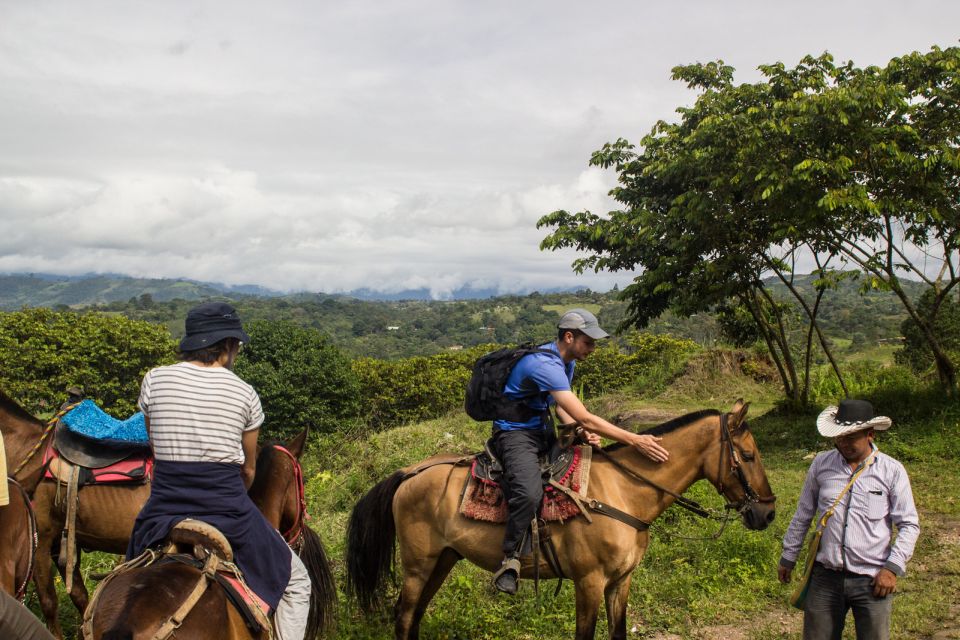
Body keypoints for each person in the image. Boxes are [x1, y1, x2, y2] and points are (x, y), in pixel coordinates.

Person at [126, 302, 311, 640]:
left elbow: (155, 447)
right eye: (236, 345)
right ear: (227, 345)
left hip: (163, 511)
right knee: (297, 581)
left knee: (128, 578)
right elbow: (248, 470)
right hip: (227, 512)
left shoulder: (154, 379)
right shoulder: (244, 393)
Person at [491, 308, 670, 595]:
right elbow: (585, 416)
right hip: (515, 434)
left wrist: (579, 430)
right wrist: (633, 440)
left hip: (541, 430)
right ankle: (510, 558)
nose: (593, 348)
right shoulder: (543, 364)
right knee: (528, 490)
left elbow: (562, 405)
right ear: (569, 337)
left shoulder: (566, 361)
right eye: (588, 342)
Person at [778, 399, 920, 640]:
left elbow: (909, 525)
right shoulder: (821, 465)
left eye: (850, 437)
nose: (843, 442)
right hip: (825, 577)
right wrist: (788, 556)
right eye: (839, 436)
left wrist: (891, 569)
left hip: (873, 579)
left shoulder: (891, 471)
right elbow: (803, 514)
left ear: (870, 435)